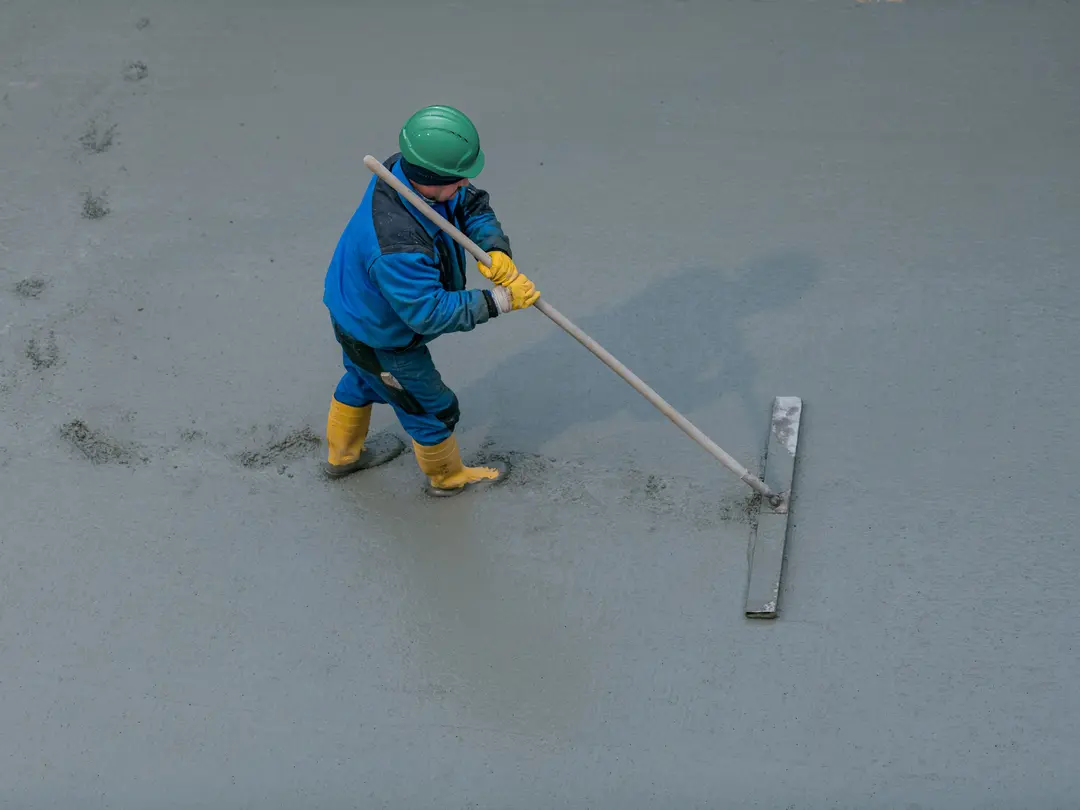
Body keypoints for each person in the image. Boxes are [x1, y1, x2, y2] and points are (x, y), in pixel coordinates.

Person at [321, 104, 540, 496]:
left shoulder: (405, 171)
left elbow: (470, 205)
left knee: (361, 379)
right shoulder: (397, 247)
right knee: (432, 408)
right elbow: (428, 313)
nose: (464, 185)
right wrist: (500, 300)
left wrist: (493, 249)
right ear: (429, 178)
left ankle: (343, 458)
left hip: (351, 311)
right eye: (457, 180)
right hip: (382, 336)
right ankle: (447, 478)